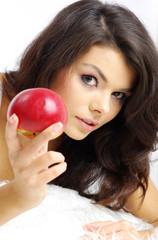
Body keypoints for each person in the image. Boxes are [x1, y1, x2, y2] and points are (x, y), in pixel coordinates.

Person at [0, 0, 158, 238]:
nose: (103, 108)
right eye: (90, 79)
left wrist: (139, 236)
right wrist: (19, 195)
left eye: (118, 95)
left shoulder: (107, 146)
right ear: (53, 60)